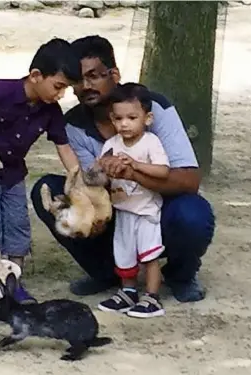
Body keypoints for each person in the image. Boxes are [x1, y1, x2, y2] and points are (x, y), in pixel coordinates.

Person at [31, 35, 215, 303]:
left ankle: (181, 274)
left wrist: (133, 173)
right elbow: (89, 184)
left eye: (94, 76)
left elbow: (189, 180)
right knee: (46, 191)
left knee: (192, 214)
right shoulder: (74, 124)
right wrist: (94, 186)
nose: (86, 86)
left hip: (158, 208)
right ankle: (106, 272)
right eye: (78, 80)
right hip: (113, 209)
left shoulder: (154, 107)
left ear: (114, 74)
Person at [0, 38, 80, 304]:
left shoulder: (51, 111)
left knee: (18, 225)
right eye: (58, 87)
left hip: (12, 172)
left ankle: (13, 285)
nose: (60, 95)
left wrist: (76, 176)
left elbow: (63, 144)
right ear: (36, 75)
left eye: (65, 90)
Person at [97, 83, 169, 317]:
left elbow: (163, 171)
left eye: (131, 117)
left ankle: (152, 297)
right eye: (118, 118)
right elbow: (103, 173)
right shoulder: (111, 145)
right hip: (123, 209)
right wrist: (106, 169)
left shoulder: (150, 142)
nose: (124, 124)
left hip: (146, 210)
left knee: (149, 255)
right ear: (112, 119)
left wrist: (135, 165)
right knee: (124, 252)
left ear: (147, 118)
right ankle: (128, 292)